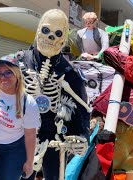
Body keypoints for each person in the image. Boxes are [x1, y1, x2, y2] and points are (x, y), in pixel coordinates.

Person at [15, 9, 90, 179]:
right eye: (46, 31)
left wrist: (82, 135)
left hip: (55, 138)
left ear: (63, 40)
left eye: (57, 34)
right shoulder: (19, 62)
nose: (51, 38)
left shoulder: (69, 72)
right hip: (21, 135)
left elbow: (83, 110)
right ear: (38, 30)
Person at [0, 54, 40, 180]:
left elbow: (30, 135)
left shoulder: (28, 102)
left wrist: (29, 162)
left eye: (8, 73)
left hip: (14, 150)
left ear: (17, 74)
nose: (3, 77)